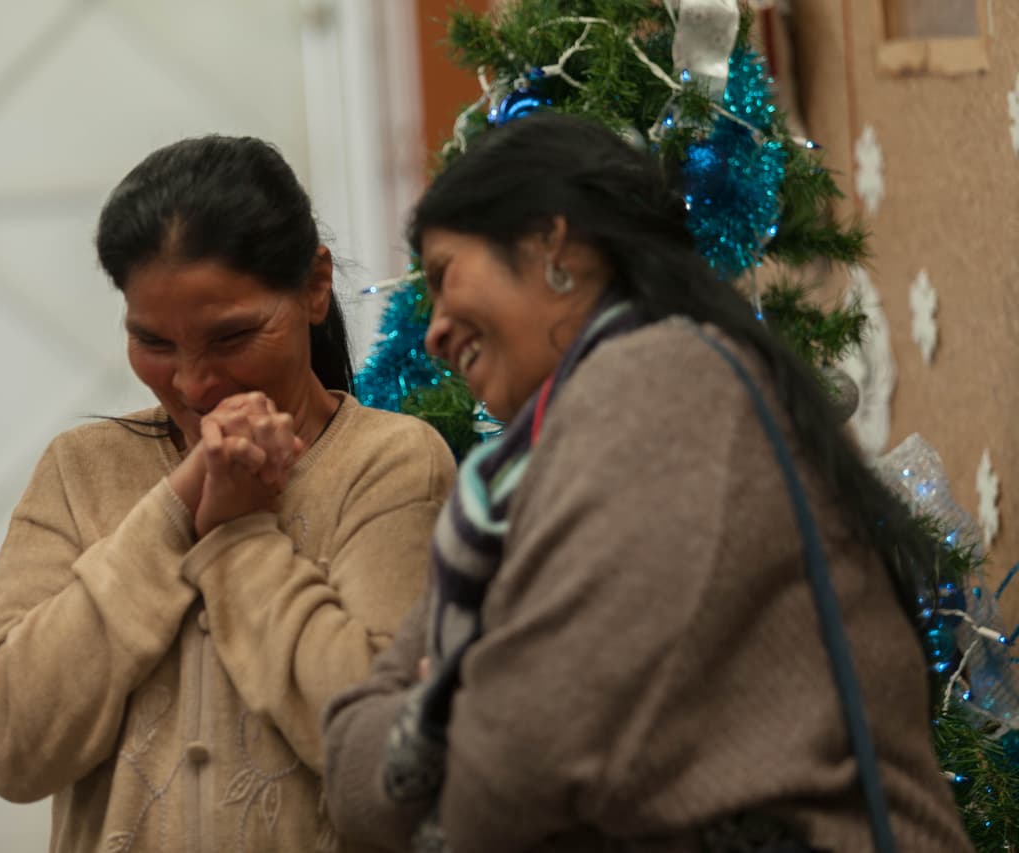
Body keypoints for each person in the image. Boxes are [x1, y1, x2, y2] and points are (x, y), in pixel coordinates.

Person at [322, 113, 971, 853]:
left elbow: (515, 759)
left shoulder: (665, 382)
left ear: (551, 244)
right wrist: (469, 704)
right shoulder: (519, 479)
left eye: (443, 276)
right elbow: (346, 769)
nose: (434, 331)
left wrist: (443, 707)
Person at [0, 135, 456, 852]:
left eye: (231, 337)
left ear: (315, 287)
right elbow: (8, 743)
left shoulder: (390, 464)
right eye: (153, 342)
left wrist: (241, 539)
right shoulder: (80, 470)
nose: (191, 383)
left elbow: (382, 754)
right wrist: (175, 507)